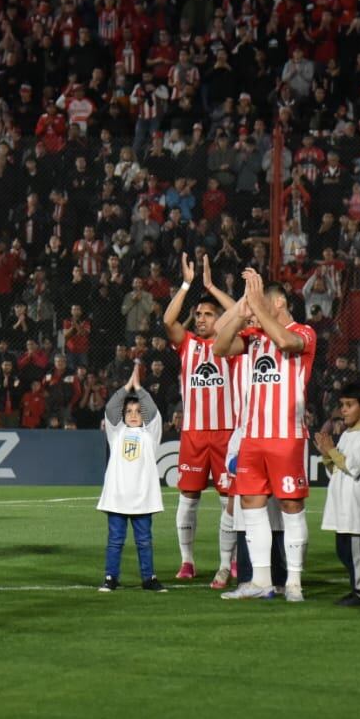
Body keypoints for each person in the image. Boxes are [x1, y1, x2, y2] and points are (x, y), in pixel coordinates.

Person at [212, 269, 317, 603]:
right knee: (252, 504)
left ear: (279, 302)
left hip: (286, 435)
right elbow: (219, 347)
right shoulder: (256, 337)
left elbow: (286, 342)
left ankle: (295, 583)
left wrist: (255, 308)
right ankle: (260, 580)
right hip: (253, 437)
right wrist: (242, 311)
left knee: (291, 505)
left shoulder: (304, 332)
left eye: (261, 301)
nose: (255, 307)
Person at [161, 253, 241, 585]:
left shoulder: (234, 344)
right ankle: (187, 561)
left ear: (221, 319)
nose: (202, 318)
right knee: (188, 498)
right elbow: (168, 322)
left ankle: (229, 563)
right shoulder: (188, 344)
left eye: (209, 313)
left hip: (225, 434)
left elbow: (242, 313)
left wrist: (211, 286)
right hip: (194, 434)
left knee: (229, 500)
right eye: (199, 313)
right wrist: (186, 285)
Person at [97, 363, 166, 593]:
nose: (134, 415)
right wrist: (127, 387)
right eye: (129, 412)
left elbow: (153, 412)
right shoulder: (116, 432)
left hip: (142, 497)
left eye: (138, 411)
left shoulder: (150, 433)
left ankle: (149, 578)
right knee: (115, 541)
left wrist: (140, 389)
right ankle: (110, 578)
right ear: (123, 416)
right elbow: (111, 407)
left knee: (144, 541)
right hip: (118, 496)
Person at [315, 380, 360, 606]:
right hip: (341, 499)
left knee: (354, 549)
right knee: (342, 548)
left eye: (349, 404)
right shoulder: (347, 434)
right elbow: (335, 467)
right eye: (342, 404)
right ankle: (355, 588)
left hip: (355, 500)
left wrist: (331, 450)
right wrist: (326, 453)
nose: (343, 409)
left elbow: (353, 466)